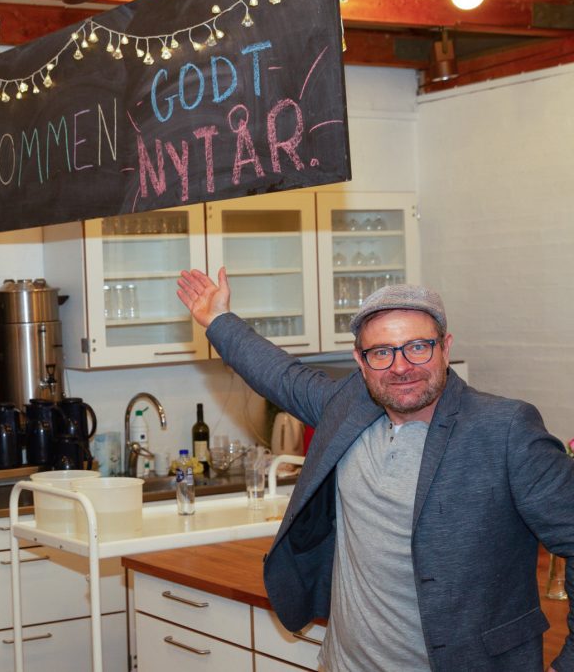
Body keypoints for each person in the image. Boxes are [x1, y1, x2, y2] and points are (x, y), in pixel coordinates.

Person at [177, 268, 574, 671]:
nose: (400, 367)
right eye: (381, 352)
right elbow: (281, 375)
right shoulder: (347, 407)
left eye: (417, 347)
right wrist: (218, 319)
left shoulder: (503, 429)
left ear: (445, 347)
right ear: (361, 362)